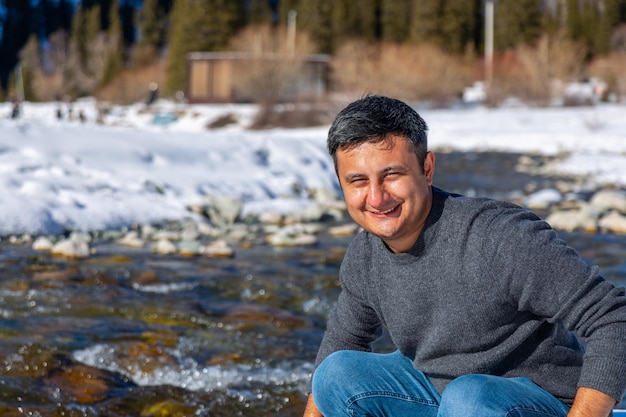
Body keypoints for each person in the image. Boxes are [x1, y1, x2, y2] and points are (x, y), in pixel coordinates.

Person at [303, 95, 626, 417]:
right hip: (444, 399)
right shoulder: (365, 255)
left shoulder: (499, 236)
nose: (376, 197)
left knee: (469, 398)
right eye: (358, 180)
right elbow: (341, 344)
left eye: (391, 175)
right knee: (336, 373)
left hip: (542, 403)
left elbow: (613, 317)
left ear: (426, 169)